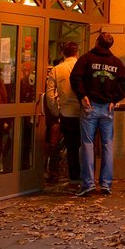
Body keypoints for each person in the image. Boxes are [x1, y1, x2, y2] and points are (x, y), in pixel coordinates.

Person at [70, 33, 125, 196]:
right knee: (107, 145)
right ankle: (106, 184)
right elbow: (123, 83)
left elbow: (75, 78)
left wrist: (82, 96)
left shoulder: (86, 59)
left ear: (97, 42)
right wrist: (114, 99)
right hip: (108, 108)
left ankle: (88, 183)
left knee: (87, 145)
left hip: (90, 106)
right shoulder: (116, 63)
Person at [46, 42, 80, 185]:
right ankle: (85, 177)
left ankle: (73, 177)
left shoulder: (57, 69)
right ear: (77, 53)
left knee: (70, 147)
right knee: (83, 146)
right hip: (82, 112)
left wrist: (56, 111)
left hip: (65, 113)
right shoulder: (82, 67)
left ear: (62, 54)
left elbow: (50, 95)